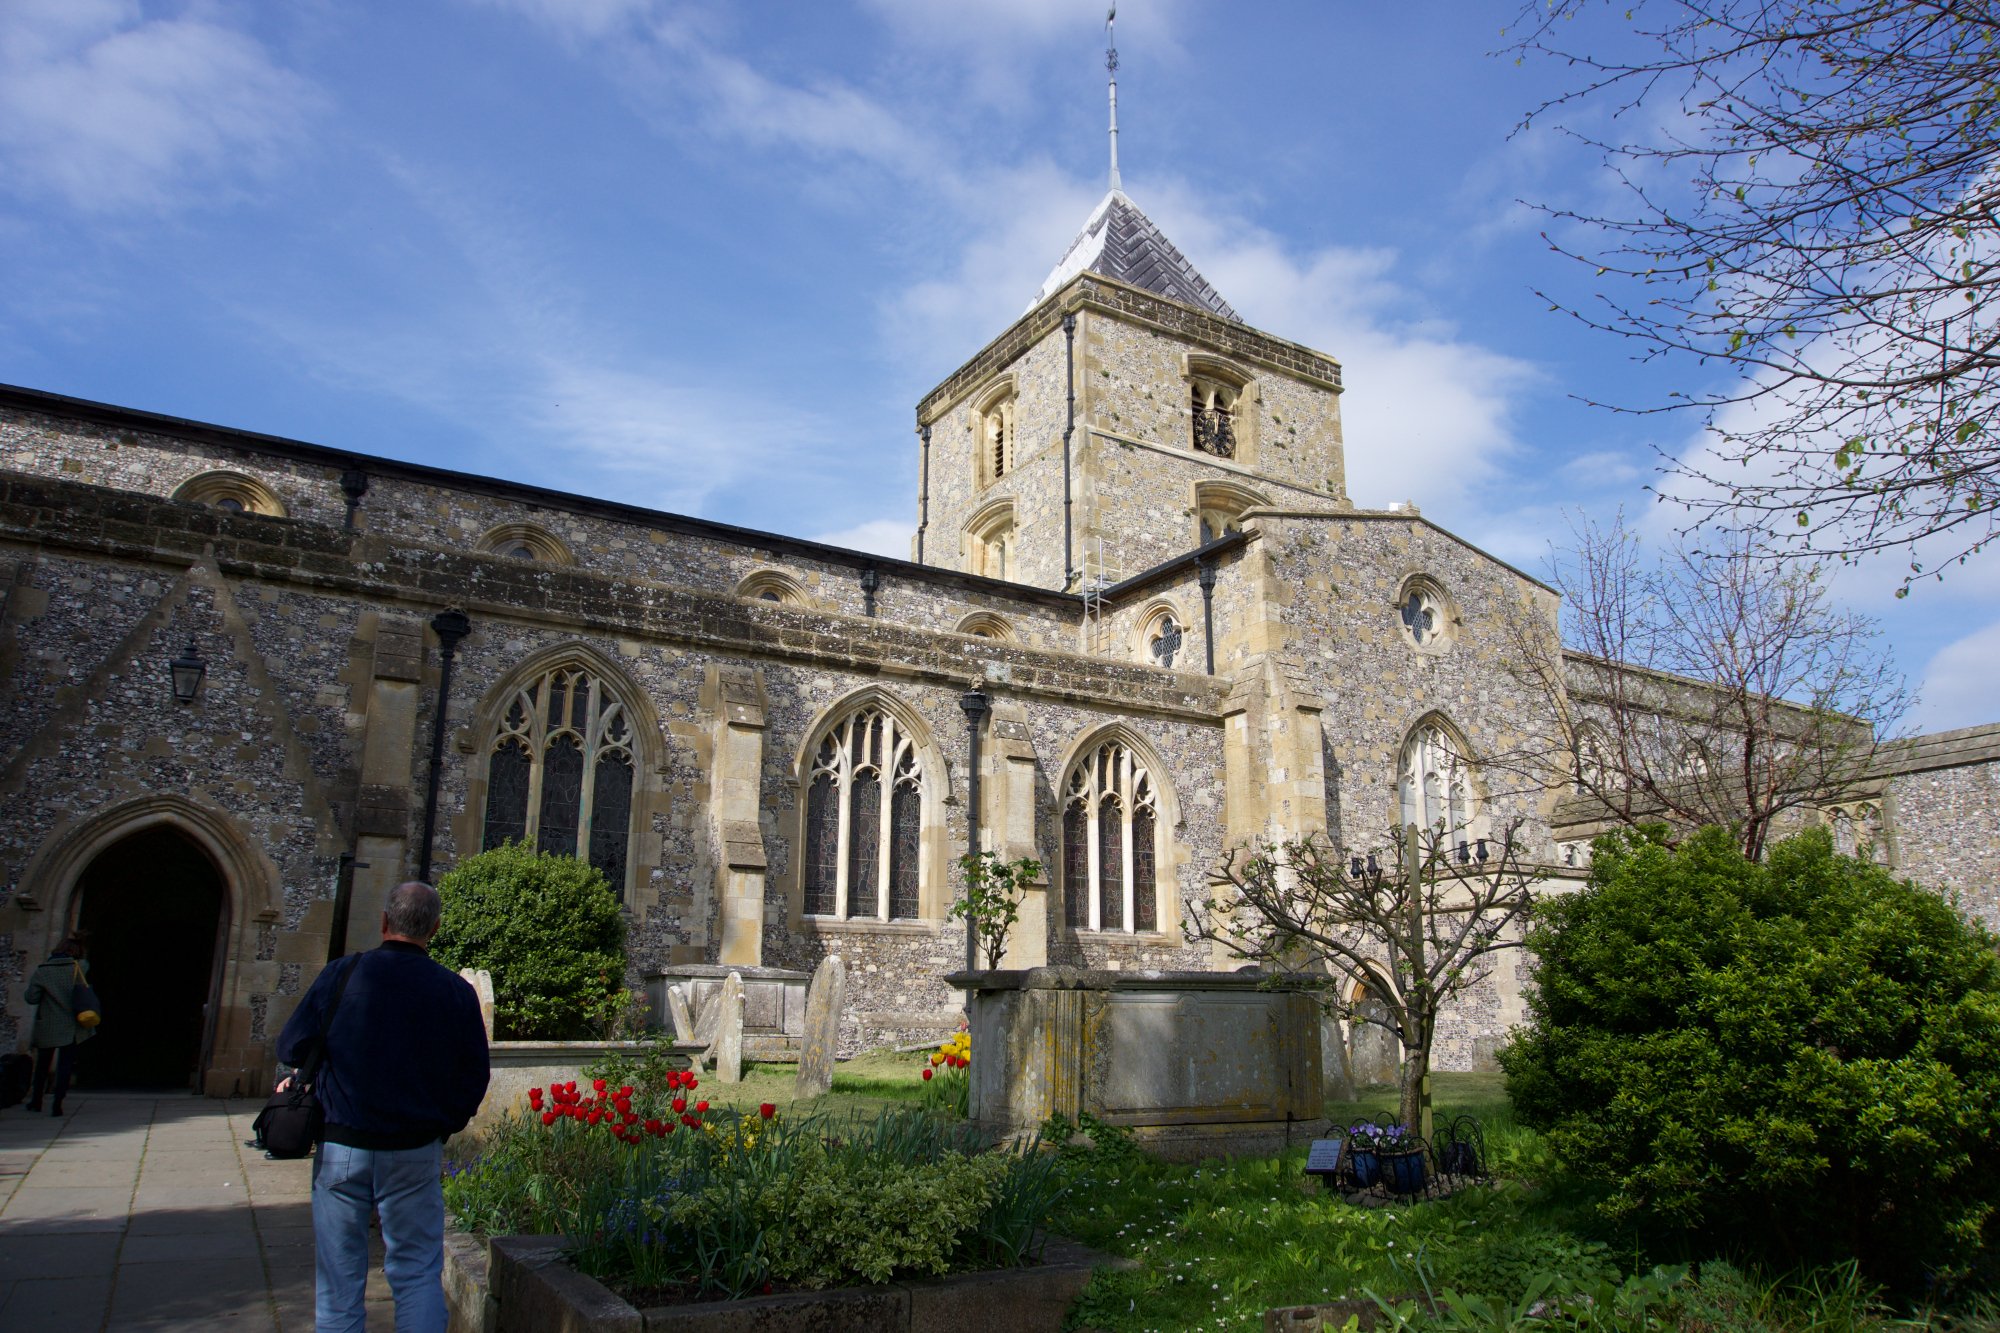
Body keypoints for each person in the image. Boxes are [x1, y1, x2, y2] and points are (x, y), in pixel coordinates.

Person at [276, 881, 489, 1333]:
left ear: (384, 922)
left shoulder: (342, 974)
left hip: (342, 1144)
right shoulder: (454, 991)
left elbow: (293, 1045)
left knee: (339, 1283)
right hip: (414, 1148)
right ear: (435, 928)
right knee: (416, 1275)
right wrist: (444, 1125)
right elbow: (474, 1075)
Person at [22, 935, 95, 1116]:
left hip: (48, 1024)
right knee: (65, 1065)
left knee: (42, 1065)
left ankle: (37, 1100)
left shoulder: (42, 971)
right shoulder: (79, 967)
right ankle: (58, 1103)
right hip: (71, 1025)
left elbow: (31, 998)